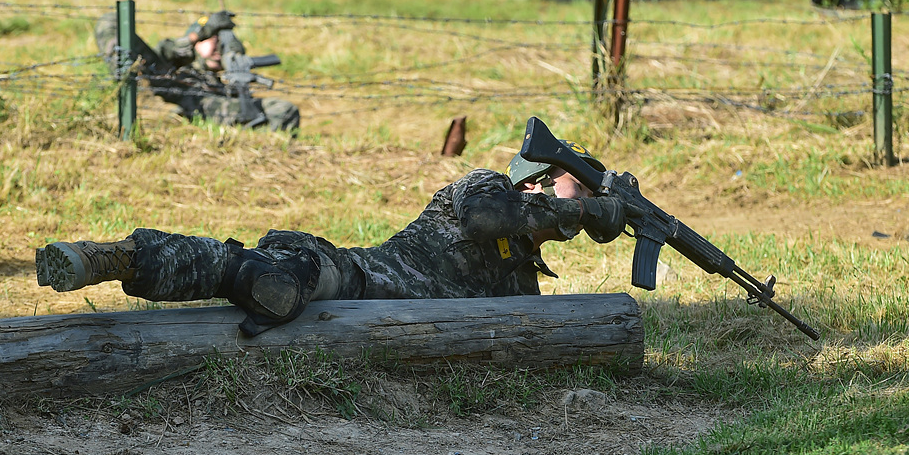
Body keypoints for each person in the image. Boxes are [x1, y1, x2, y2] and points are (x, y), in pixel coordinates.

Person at [35, 140, 630, 336]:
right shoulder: (485, 188)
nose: (589, 205)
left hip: (394, 325)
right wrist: (583, 213)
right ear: (544, 181)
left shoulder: (524, 273)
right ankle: (113, 258)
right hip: (358, 278)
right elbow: (486, 219)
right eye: (582, 188)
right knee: (271, 280)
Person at [94, 10, 300, 133]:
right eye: (211, 40)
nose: (217, 48)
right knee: (114, 19)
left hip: (223, 119)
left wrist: (234, 56)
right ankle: (123, 74)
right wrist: (198, 35)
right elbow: (168, 49)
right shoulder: (170, 68)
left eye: (222, 43)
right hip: (171, 116)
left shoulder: (222, 82)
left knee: (284, 109)